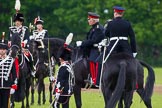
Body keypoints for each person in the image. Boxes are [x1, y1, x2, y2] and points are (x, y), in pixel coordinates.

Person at [76, 12, 105, 86]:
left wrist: (82, 43)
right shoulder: (94, 28)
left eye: (89, 19)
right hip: (91, 49)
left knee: (92, 59)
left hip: (96, 50)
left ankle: (95, 80)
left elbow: (94, 41)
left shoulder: (98, 28)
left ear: (94, 20)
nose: (88, 21)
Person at [0, 38, 18, 108]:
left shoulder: (10, 60)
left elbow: (14, 74)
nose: (2, 51)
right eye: (1, 49)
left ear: (6, 50)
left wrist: (14, 85)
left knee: (5, 105)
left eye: (4, 49)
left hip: (7, 86)